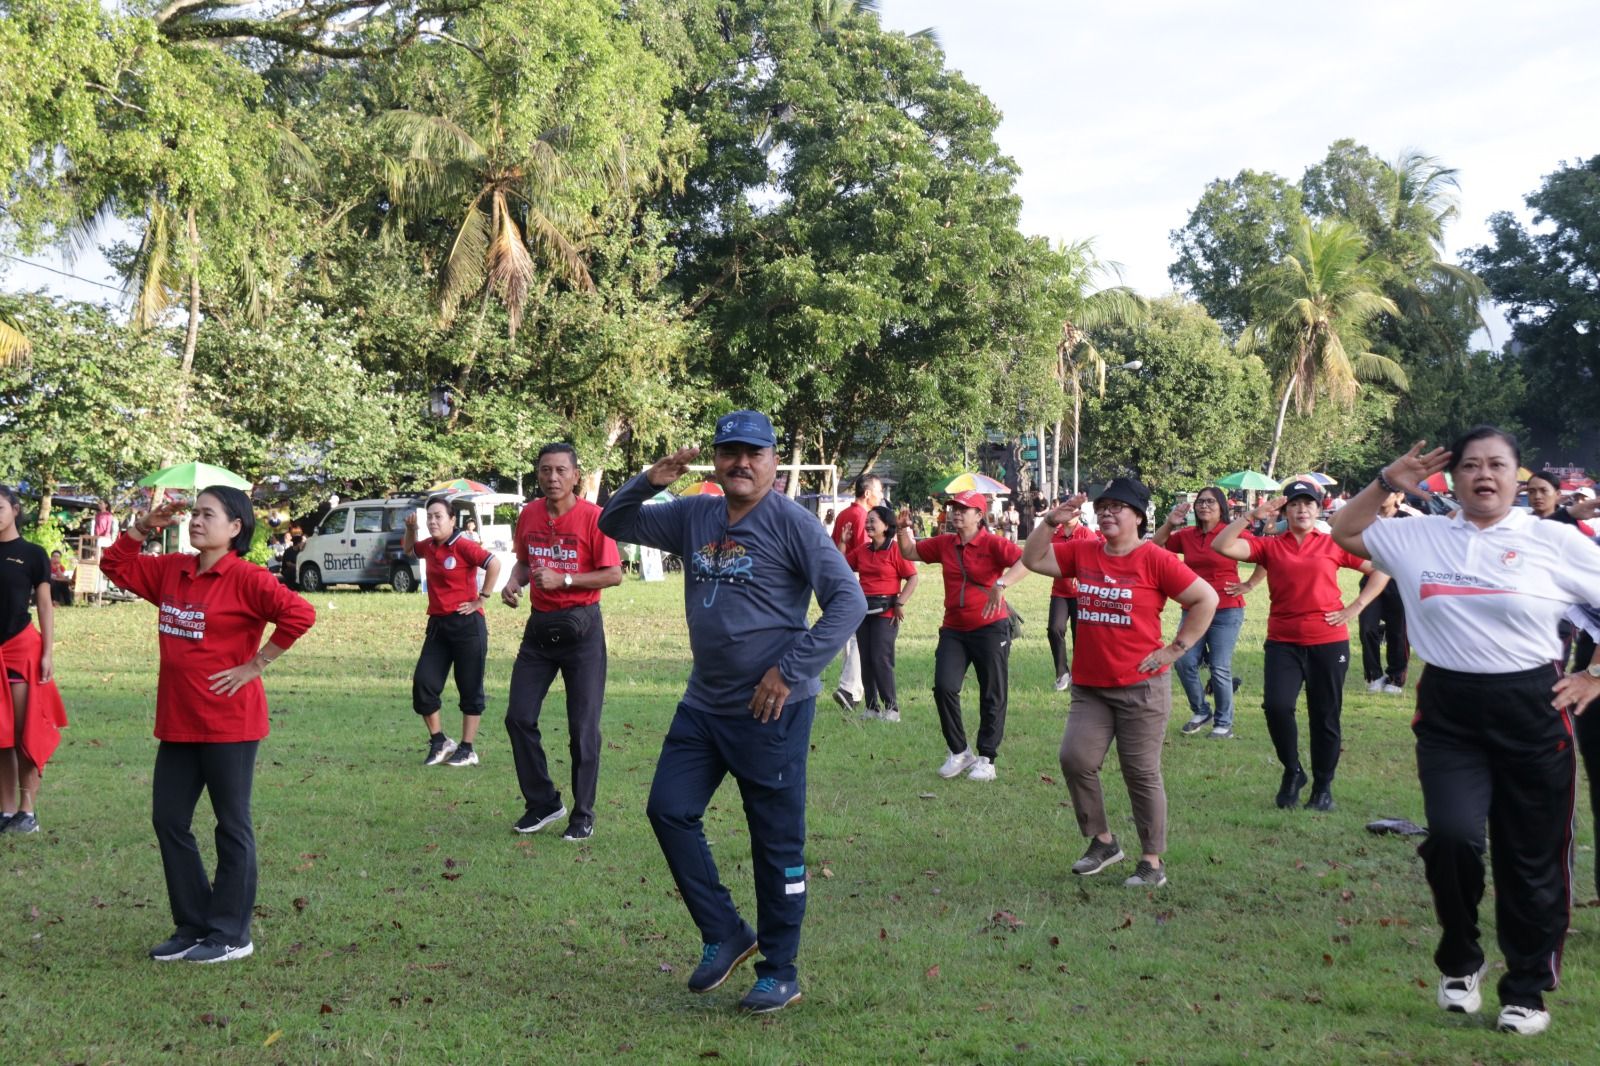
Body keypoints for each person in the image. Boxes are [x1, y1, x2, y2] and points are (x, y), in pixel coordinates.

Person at [1330, 430, 1600, 1037]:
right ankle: (1460, 956)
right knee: (1452, 838)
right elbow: (1344, 533)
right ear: (1451, 479)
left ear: (1515, 475)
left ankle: (1526, 990)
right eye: (1471, 465)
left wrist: (1595, 675)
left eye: (1497, 465)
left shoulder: (1552, 540)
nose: (1485, 475)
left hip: (1534, 707)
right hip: (1451, 711)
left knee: (1530, 857)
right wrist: (1384, 482)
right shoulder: (1420, 534)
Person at [598, 410, 865, 1014]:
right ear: (716, 460)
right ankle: (725, 931)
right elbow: (612, 522)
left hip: (773, 710)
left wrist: (790, 669)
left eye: (754, 453)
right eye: (729, 453)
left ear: (773, 461)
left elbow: (848, 601)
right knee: (668, 809)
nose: (740, 463)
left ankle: (781, 968)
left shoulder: (792, 523)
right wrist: (648, 480)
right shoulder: (696, 513)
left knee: (774, 840)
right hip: (704, 703)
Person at [101, 487, 315, 963]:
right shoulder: (172, 570)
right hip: (178, 720)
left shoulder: (247, 578)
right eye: (194, 513)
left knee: (231, 825)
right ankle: (194, 924)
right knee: (169, 820)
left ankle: (232, 933)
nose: (196, 521)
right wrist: (143, 527)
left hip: (230, 724)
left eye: (208, 515)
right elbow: (115, 567)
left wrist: (255, 665)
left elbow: (300, 614)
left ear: (235, 527)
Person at [1022, 480, 1217, 888]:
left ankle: (1152, 861)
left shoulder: (1156, 559)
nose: (1108, 513)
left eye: (1118, 507)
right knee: (1075, 759)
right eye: (1103, 507)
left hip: (1141, 686)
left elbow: (1206, 599)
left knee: (1140, 772)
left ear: (1139, 516)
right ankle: (1104, 842)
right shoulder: (1084, 551)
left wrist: (1175, 649)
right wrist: (1049, 522)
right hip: (1091, 687)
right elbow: (1034, 559)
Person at [1212, 478, 1391, 811]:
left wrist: (1355, 607)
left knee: (1324, 715)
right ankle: (1293, 771)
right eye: (1294, 504)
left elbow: (1381, 569)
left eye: (1308, 503)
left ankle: (1323, 786)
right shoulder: (1270, 546)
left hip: (1328, 641)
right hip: (1283, 642)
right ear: (1286, 510)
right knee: (1277, 707)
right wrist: (1252, 515)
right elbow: (1222, 545)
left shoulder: (1332, 544)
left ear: (1318, 508)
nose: (1302, 509)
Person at [501, 443, 622, 840]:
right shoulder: (530, 514)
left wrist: (565, 579)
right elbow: (524, 559)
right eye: (545, 470)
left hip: (582, 631)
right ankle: (544, 803)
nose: (552, 478)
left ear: (575, 475)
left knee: (582, 728)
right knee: (518, 717)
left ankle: (583, 814)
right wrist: (513, 582)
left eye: (560, 471)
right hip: (539, 631)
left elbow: (613, 574)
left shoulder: (594, 518)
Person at [896, 489, 1030, 781]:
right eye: (954, 508)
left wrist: (1003, 583)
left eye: (963, 509)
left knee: (992, 692)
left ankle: (987, 758)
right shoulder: (946, 544)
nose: (956, 512)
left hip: (991, 627)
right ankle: (959, 752)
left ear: (979, 516)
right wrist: (903, 529)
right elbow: (910, 552)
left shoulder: (993, 544)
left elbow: (1027, 560)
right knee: (944, 687)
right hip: (954, 629)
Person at [403, 497, 502, 768]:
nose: (433, 521)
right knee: (424, 683)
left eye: (438, 516)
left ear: (452, 520)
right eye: (429, 517)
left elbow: (494, 564)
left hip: (467, 625)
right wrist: (411, 529)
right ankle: (439, 741)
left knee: (469, 687)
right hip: (438, 626)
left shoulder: (463, 546)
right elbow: (411, 550)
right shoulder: (430, 546)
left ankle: (467, 748)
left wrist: (482, 598)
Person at [1153, 486, 1254, 739]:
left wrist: (1249, 584)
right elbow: (1155, 545)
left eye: (1210, 502)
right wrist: (1170, 523)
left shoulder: (1230, 534)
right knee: (1184, 661)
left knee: (1219, 667)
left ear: (1222, 507)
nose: (1204, 506)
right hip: (1194, 609)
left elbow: (1264, 556)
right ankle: (1201, 710)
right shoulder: (1188, 535)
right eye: (1200, 502)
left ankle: (1224, 723)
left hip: (1226, 610)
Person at [0, 485, 67, 835]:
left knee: (24, 735)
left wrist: (47, 652)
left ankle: (28, 811)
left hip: (20, 649)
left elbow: (44, 605)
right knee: (0, 737)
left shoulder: (33, 554)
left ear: (14, 508)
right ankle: (7, 809)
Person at [840, 504, 919, 722]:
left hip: (887, 611)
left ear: (886, 525)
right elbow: (841, 568)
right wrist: (843, 543)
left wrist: (900, 602)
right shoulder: (863, 550)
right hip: (863, 610)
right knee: (865, 658)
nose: (868, 524)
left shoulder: (896, 550)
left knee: (880, 658)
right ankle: (872, 708)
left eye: (873, 520)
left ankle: (892, 708)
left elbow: (913, 577)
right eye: (867, 521)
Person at [829, 474, 882, 714]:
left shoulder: (843, 514)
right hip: (856, 584)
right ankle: (849, 689)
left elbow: (833, 547)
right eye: (880, 490)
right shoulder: (863, 517)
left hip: (840, 580)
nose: (881, 495)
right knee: (859, 637)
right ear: (868, 493)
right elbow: (865, 555)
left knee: (853, 637)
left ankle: (853, 690)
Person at [1046, 498, 1102, 692]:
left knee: (1081, 635)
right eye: (1065, 509)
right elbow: (1045, 557)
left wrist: (1081, 574)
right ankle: (1062, 673)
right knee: (1054, 629)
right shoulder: (1055, 534)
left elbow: (1097, 559)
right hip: (1060, 591)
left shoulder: (1087, 534)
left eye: (1073, 509)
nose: (1068, 513)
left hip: (1082, 593)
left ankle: (1081, 674)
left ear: (1079, 512)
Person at [1357, 492, 1410, 694]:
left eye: (1388, 492)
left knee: (1398, 631)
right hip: (1372, 580)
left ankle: (1396, 678)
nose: (1381, 496)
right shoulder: (1367, 519)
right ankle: (1374, 675)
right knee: (1367, 627)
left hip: (1399, 583)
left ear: (1399, 496)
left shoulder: (1407, 521)